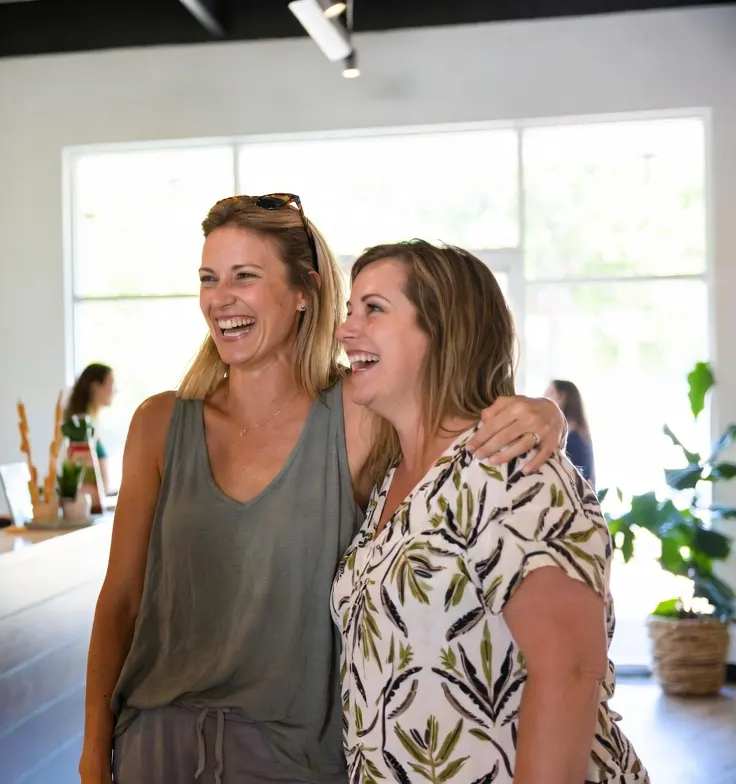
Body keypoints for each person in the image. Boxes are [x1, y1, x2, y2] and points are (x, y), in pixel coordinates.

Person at [80, 194, 567, 784]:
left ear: (304, 292)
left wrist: (544, 412)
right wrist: (93, 749)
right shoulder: (159, 424)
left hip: (296, 760)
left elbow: (449, 406)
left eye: (244, 276)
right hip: (155, 747)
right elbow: (120, 601)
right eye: (209, 278)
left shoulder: (357, 413)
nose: (220, 298)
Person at [332, 240, 647, 783]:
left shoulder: (508, 464)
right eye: (349, 310)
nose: (345, 330)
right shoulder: (394, 478)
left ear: (442, 332)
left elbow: (571, 670)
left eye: (373, 309)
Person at [66, 362, 116, 495]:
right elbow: (79, 482)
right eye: (111, 384)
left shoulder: (92, 425)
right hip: (91, 503)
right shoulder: (79, 429)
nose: (115, 390)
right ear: (95, 387)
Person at [547, 379, 595, 486]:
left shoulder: (572, 437)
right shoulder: (580, 433)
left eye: (549, 394)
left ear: (561, 397)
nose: (544, 399)